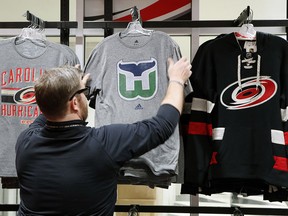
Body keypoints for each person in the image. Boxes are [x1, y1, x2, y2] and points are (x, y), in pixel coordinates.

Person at [15, 57, 192, 216]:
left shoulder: (25, 142)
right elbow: (161, 127)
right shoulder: (104, 143)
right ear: (75, 103)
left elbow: (50, 107)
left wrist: (67, 88)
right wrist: (176, 80)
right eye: (83, 94)